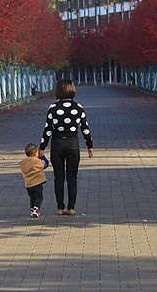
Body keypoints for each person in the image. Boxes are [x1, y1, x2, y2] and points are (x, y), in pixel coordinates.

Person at [39, 79, 93, 216]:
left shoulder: (52, 108)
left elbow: (48, 129)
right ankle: (71, 208)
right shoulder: (78, 107)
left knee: (58, 177)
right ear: (72, 90)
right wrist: (89, 145)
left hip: (57, 143)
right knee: (72, 177)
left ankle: (60, 207)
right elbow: (85, 128)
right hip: (73, 143)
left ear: (58, 91)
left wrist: (42, 147)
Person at [18, 143, 49, 218]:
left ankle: (32, 209)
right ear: (35, 153)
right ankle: (36, 209)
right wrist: (43, 157)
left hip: (28, 185)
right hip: (37, 183)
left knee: (32, 198)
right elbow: (45, 165)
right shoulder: (36, 161)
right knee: (39, 197)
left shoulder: (23, 163)